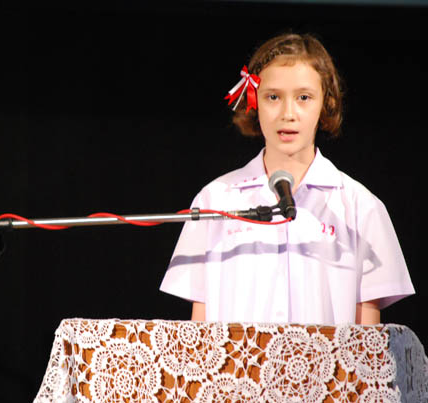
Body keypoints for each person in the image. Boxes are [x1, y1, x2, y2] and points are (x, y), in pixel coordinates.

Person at [159, 33, 415, 326]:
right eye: (273, 97)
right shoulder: (215, 199)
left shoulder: (360, 207)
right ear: (254, 101)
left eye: (304, 97)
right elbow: (199, 333)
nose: (288, 113)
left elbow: (367, 339)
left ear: (325, 103)